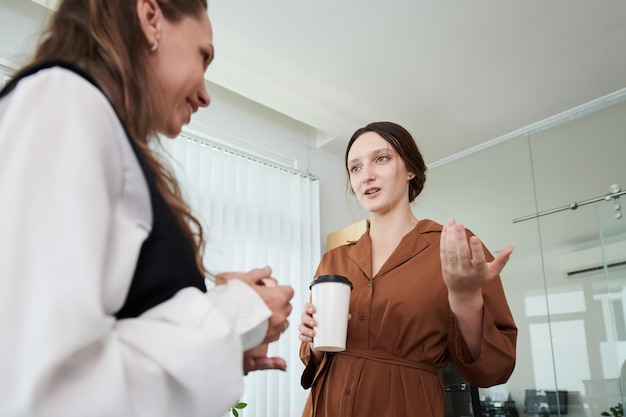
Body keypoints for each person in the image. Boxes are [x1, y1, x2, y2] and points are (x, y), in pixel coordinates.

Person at [0, 0, 294, 416]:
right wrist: (237, 312)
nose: (206, 95)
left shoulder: (88, 121)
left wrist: (222, 343)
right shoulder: (61, 100)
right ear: (150, 17)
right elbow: (47, 392)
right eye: (203, 56)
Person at [297, 121, 517, 416]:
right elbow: (313, 358)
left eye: (381, 159)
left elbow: (495, 368)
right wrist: (315, 343)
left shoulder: (453, 248)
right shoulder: (333, 260)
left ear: (411, 169)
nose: (367, 175)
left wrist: (466, 301)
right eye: (355, 168)